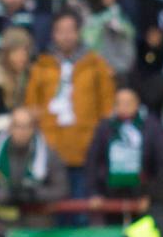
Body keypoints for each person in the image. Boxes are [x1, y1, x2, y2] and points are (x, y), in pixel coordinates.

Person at [26, 11, 118, 201]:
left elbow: (108, 107)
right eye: (61, 31)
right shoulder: (42, 66)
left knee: (81, 207)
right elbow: (31, 106)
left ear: (79, 33)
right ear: (53, 34)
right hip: (51, 148)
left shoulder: (95, 64)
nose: (66, 36)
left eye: (70, 31)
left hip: (86, 147)